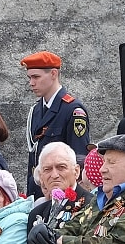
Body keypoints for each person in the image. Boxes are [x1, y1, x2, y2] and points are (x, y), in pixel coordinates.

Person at [23, 51, 90, 197]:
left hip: (64, 193)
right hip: (40, 190)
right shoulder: (36, 110)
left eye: (36, 77)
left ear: (53, 74)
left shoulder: (72, 110)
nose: (31, 83)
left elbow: (79, 157)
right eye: (29, 78)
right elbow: (33, 159)